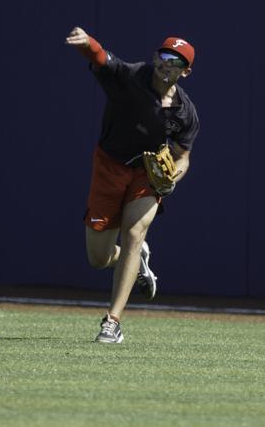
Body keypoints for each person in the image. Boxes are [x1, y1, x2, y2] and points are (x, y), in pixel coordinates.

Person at [66, 27, 200, 343]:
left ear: (186, 72)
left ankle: (112, 323)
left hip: (145, 172)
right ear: (156, 57)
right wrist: (88, 44)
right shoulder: (132, 77)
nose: (169, 64)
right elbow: (103, 60)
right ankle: (136, 260)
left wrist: (174, 177)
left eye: (177, 61)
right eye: (166, 56)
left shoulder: (185, 112)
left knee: (135, 233)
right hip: (109, 166)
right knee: (98, 258)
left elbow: (183, 156)